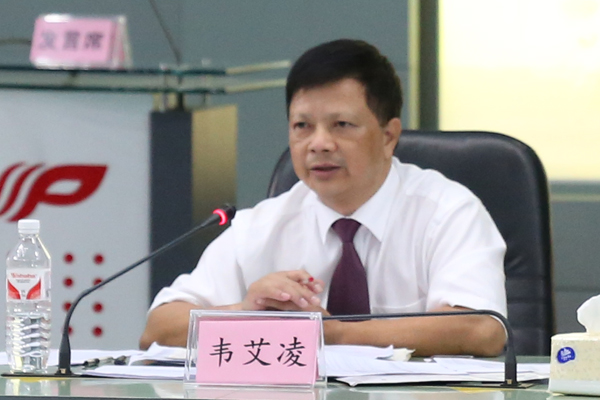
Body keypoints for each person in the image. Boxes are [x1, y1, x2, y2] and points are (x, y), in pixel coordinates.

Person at [140, 39, 507, 356]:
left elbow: (482, 329)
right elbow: (158, 329)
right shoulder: (261, 227)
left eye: (341, 125)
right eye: (302, 126)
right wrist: (245, 313)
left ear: (388, 137)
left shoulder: (447, 212)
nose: (319, 144)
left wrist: (332, 334)